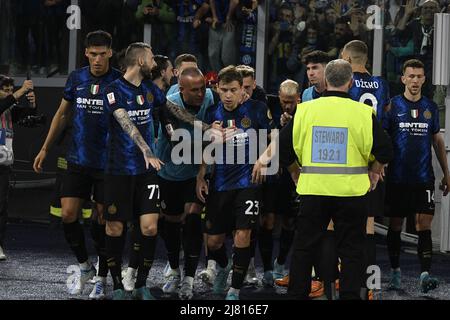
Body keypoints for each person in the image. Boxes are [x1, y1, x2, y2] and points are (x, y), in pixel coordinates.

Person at [262, 59, 393, 299]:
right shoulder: (364, 113)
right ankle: (350, 296)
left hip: (314, 191)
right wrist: (374, 170)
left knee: (304, 248)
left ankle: (296, 295)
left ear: (325, 81)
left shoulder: (305, 111)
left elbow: (282, 147)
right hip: (352, 193)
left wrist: (293, 171)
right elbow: (386, 150)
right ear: (350, 83)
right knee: (352, 250)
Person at [103, 42, 223, 300]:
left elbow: (173, 111)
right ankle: (116, 285)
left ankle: (142, 284)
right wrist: (146, 149)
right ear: (141, 62)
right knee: (115, 229)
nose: (156, 64)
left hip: (147, 172)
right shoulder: (112, 90)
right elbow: (124, 121)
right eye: (150, 58)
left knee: (149, 228)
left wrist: (203, 126)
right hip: (118, 170)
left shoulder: (149, 89)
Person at [33, 30, 122, 298]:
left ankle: (103, 272)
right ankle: (84, 265)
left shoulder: (119, 81)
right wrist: (45, 148)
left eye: (102, 53)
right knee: (69, 214)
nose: (97, 59)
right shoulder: (77, 78)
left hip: (107, 163)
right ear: (86, 53)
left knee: (104, 220)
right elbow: (62, 114)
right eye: (92, 54)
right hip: (77, 159)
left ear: (109, 52)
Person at [196, 65, 272, 300]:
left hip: (248, 183)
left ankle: (235, 290)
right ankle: (224, 266)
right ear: (217, 89)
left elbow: (276, 138)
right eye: (224, 90)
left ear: (243, 91)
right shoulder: (211, 114)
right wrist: (201, 175)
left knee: (243, 234)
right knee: (214, 242)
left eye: (233, 90)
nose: (228, 95)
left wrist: (263, 159)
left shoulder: (257, 109)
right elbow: (206, 149)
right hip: (219, 185)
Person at [383, 59, 450, 293]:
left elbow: (438, 141)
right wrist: (378, 166)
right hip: (397, 179)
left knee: (424, 226)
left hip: (424, 178)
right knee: (395, 225)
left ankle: (424, 275)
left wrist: (447, 173)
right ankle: (395, 272)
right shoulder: (391, 107)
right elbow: (383, 140)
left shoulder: (431, 107)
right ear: (403, 79)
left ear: (424, 79)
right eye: (410, 76)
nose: (414, 80)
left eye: (419, 76)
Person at [156, 67, 220, 300]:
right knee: (171, 223)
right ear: (181, 89)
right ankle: (174, 269)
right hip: (170, 172)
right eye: (195, 90)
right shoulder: (168, 104)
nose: (201, 93)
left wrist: (203, 173)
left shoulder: (211, 98)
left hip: (195, 173)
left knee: (193, 218)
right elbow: (177, 144)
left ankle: (189, 280)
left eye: (203, 87)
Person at [341, 40, 391, 299]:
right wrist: (379, 163)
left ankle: (332, 279)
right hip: (374, 165)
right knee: (369, 225)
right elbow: (384, 118)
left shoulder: (346, 83)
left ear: (347, 60)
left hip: (348, 160)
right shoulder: (382, 84)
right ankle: (369, 286)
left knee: (334, 222)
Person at [258, 79, 300, 287]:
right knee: (267, 220)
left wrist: (291, 124)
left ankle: (281, 263)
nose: (287, 105)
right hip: (273, 172)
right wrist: (279, 128)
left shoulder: (305, 112)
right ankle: (266, 269)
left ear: (298, 99)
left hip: (294, 173)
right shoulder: (269, 106)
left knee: (290, 222)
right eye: (285, 101)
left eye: (291, 102)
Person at [0, 74, 36, 261]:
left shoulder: (9, 110)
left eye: (9, 90)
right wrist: (21, 91)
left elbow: (31, 118)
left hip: (4, 164)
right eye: (4, 90)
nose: (8, 93)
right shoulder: (3, 106)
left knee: (2, 207)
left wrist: (31, 104)